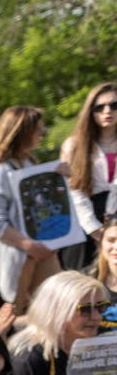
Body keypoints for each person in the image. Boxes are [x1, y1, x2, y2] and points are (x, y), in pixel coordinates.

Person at [0, 105, 59, 315]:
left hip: (39, 252)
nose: (42, 133)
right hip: (15, 256)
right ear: (22, 132)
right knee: (13, 315)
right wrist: (28, 245)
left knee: (50, 309)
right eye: (38, 129)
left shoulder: (28, 163)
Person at [60, 83, 117, 271]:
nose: (107, 111)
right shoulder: (75, 144)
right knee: (84, 279)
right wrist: (93, 228)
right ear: (90, 111)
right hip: (85, 217)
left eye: (114, 105)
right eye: (99, 107)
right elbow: (75, 189)